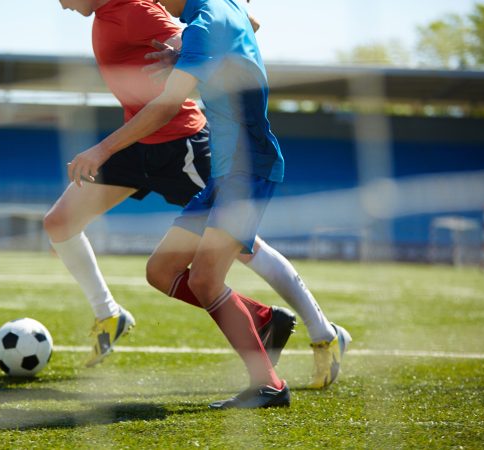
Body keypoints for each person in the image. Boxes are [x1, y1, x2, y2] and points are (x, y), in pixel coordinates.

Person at [47, 0, 349, 390]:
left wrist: (189, 46)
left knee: (240, 250)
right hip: (137, 141)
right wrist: (186, 49)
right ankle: (109, 313)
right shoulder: (143, 14)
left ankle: (321, 330)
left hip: (182, 146)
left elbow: (234, 29)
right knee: (60, 223)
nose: (61, 3)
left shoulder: (142, 11)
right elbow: (236, 22)